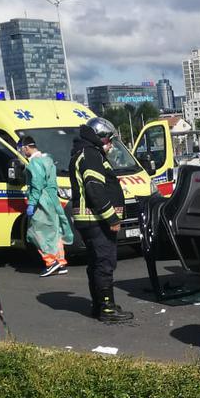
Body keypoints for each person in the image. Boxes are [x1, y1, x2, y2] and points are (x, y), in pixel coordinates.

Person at [70, 117, 132, 323]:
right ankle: (107, 308)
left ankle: (100, 305)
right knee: (105, 263)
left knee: (96, 263)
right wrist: (112, 218)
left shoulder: (84, 152)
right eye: (110, 140)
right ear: (101, 137)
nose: (111, 145)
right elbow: (95, 189)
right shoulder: (91, 154)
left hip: (90, 221)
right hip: (96, 220)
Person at [18, 136, 74, 277]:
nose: (22, 153)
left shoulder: (34, 163)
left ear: (26, 148)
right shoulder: (48, 160)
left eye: (22, 150)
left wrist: (32, 203)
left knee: (37, 233)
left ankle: (51, 262)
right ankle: (61, 262)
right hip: (52, 200)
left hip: (41, 202)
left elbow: (37, 185)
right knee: (55, 232)